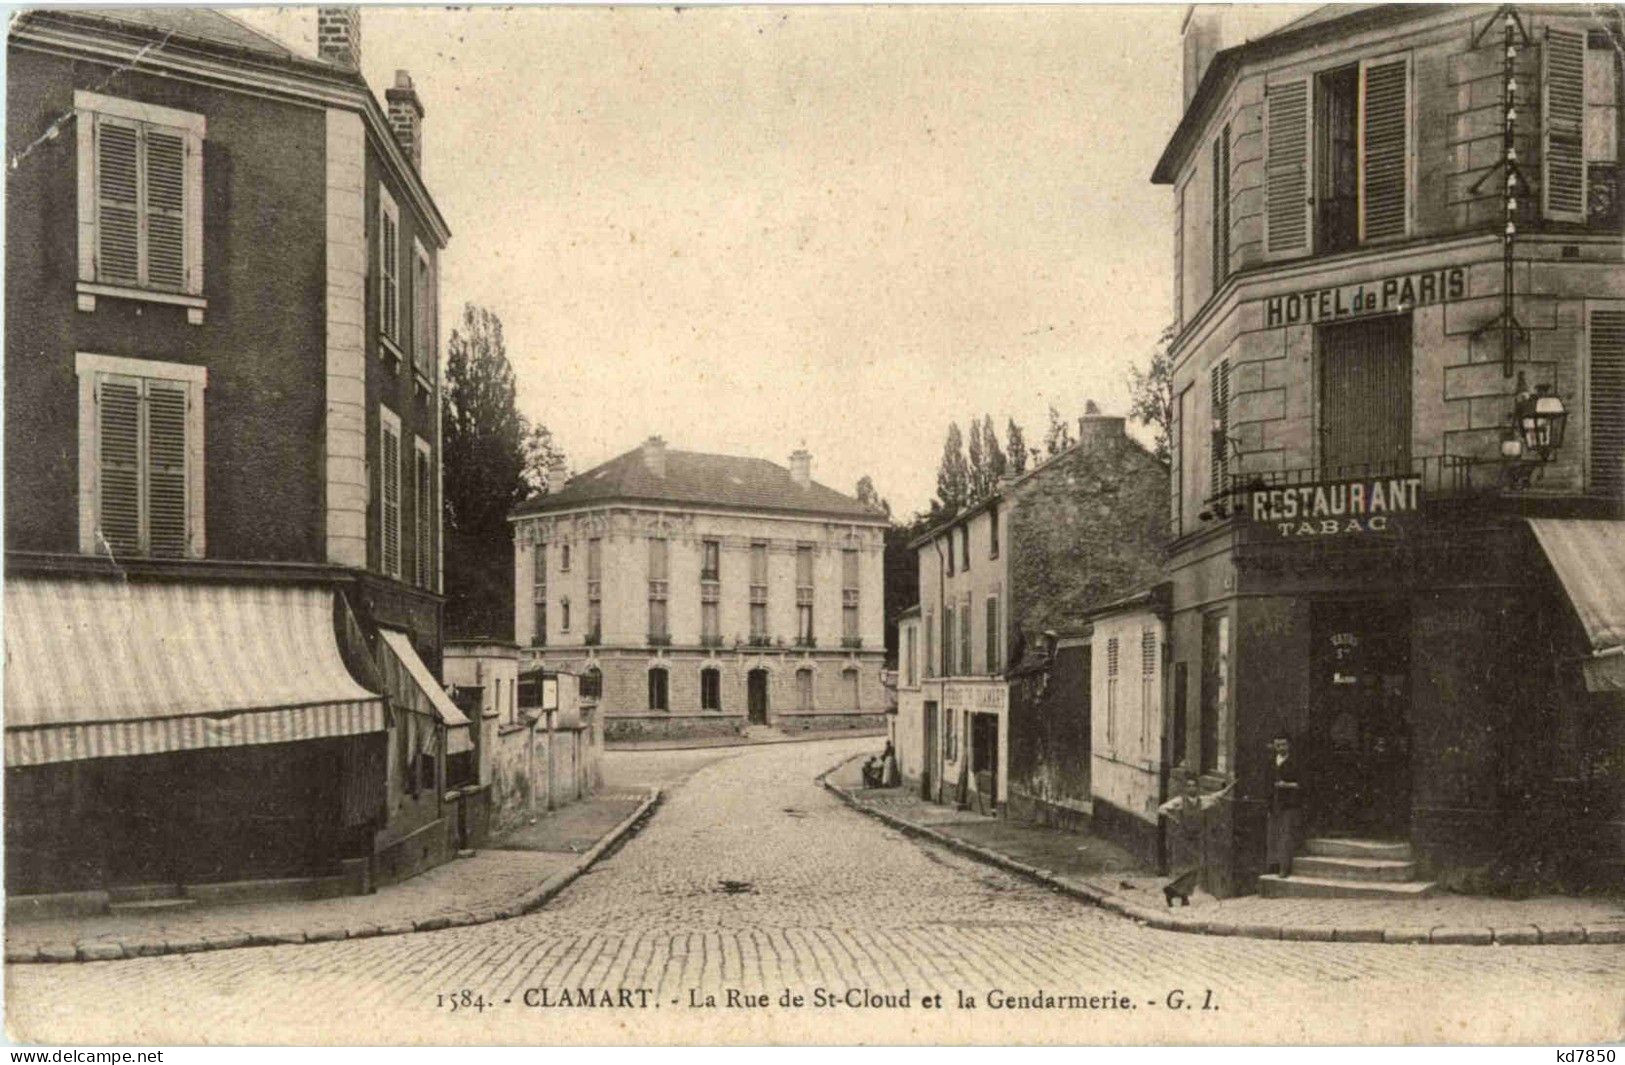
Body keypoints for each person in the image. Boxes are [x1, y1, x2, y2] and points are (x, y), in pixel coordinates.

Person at [1156, 771, 1233, 906]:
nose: (1192, 788)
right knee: (1188, 868)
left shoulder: (1202, 801)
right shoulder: (1180, 801)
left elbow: (1218, 796)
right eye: (1189, 786)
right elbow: (1162, 809)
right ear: (1185, 788)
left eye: (1194, 786)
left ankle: (1174, 891)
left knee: (1196, 868)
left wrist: (1231, 786)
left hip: (1196, 838)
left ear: (1197, 788)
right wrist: (1174, 817)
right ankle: (1179, 894)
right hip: (1183, 839)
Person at [1267, 734, 1302, 877]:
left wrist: (1286, 785)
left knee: (1285, 836)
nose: (1280, 748)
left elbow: (1302, 783)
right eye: (1277, 745)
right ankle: (1274, 865)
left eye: (1283, 745)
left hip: (1289, 804)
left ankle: (1285, 868)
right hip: (1274, 803)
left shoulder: (1295, 762)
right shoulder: (1271, 762)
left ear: (1289, 746)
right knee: (1273, 834)